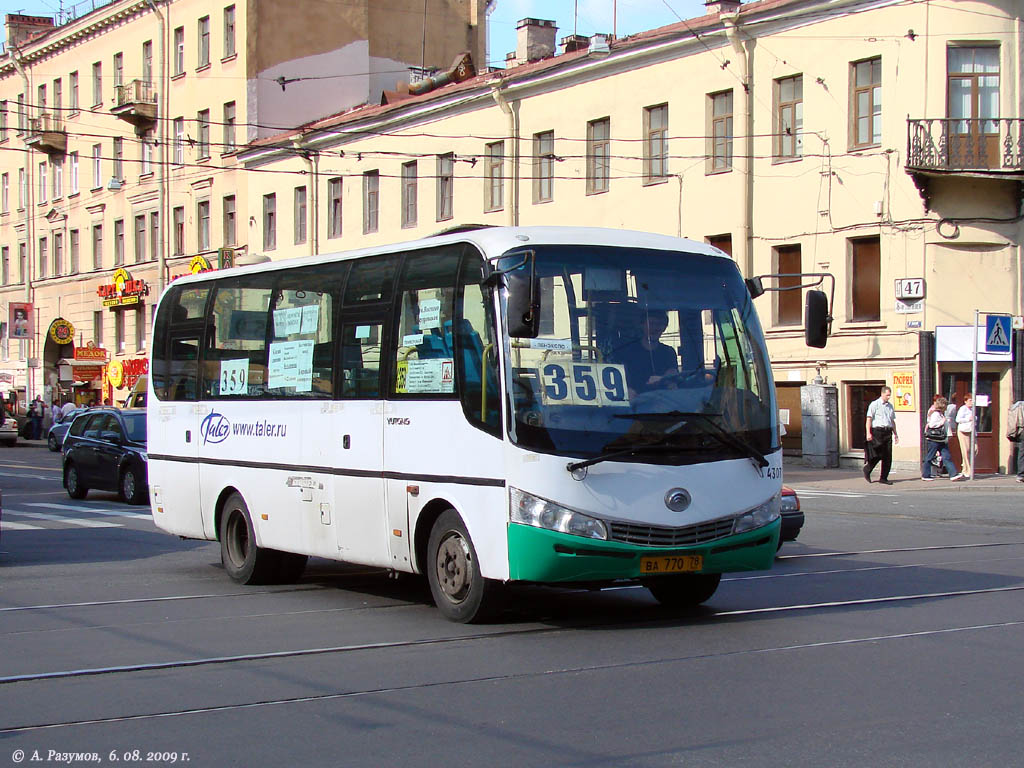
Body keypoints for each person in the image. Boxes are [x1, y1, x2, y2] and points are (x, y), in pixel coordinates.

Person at [610, 309, 678, 396]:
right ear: (642, 325)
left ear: (664, 328)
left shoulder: (669, 352)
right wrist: (627, 391)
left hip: (663, 403)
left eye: (660, 324)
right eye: (651, 324)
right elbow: (620, 379)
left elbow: (672, 375)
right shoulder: (627, 351)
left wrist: (667, 381)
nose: (655, 328)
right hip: (635, 403)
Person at [864, 386, 899, 484]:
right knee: (877, 454)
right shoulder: (874, 404)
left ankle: (883, 478)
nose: (888, 397)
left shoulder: (890, 406)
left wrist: (895, 434)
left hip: (887, 431)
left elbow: (892, 421)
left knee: (887, 456)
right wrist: (868, 432)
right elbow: (869, 419)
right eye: (887, 395)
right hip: (877, 431)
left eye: (889, 395)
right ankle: (867, 469)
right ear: (882, 394)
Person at [922, 397, 962, 481]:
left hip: (941, 440)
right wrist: (942, 422)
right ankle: (925, 475)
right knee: (930, 457)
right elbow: (932, 425)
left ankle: (953, 474)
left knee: (946, 456)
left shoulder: (940, 414)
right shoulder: (935, 414)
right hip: (934, 440)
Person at [955, 393, 975, 479]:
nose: (972, 402)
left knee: (974, 450)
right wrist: (968, 419)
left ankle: (965, 468)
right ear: (965, 401)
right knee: (965, 450)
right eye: (970, 400)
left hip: (971, 431)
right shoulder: (963, 409)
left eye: (973, 400)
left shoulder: (973, 409)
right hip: (963, 431)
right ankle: (968, 471)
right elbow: (958, 419)